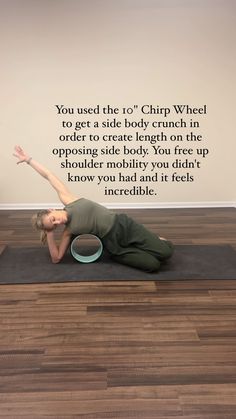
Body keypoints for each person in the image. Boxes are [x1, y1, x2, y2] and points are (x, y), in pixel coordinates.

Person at [13, 145, 174, 272]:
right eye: (54, 226)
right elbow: (56, 258)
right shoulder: (68, 231)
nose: (57, 222)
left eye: (53, 219)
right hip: (113, 245)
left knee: (166, 252)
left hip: (124, 226)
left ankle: (157, 240)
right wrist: (49, 233)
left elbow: (48, 175)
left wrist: (28, 160)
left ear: (51, 210)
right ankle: (124, 253)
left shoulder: (69, 199)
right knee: (153, 265)